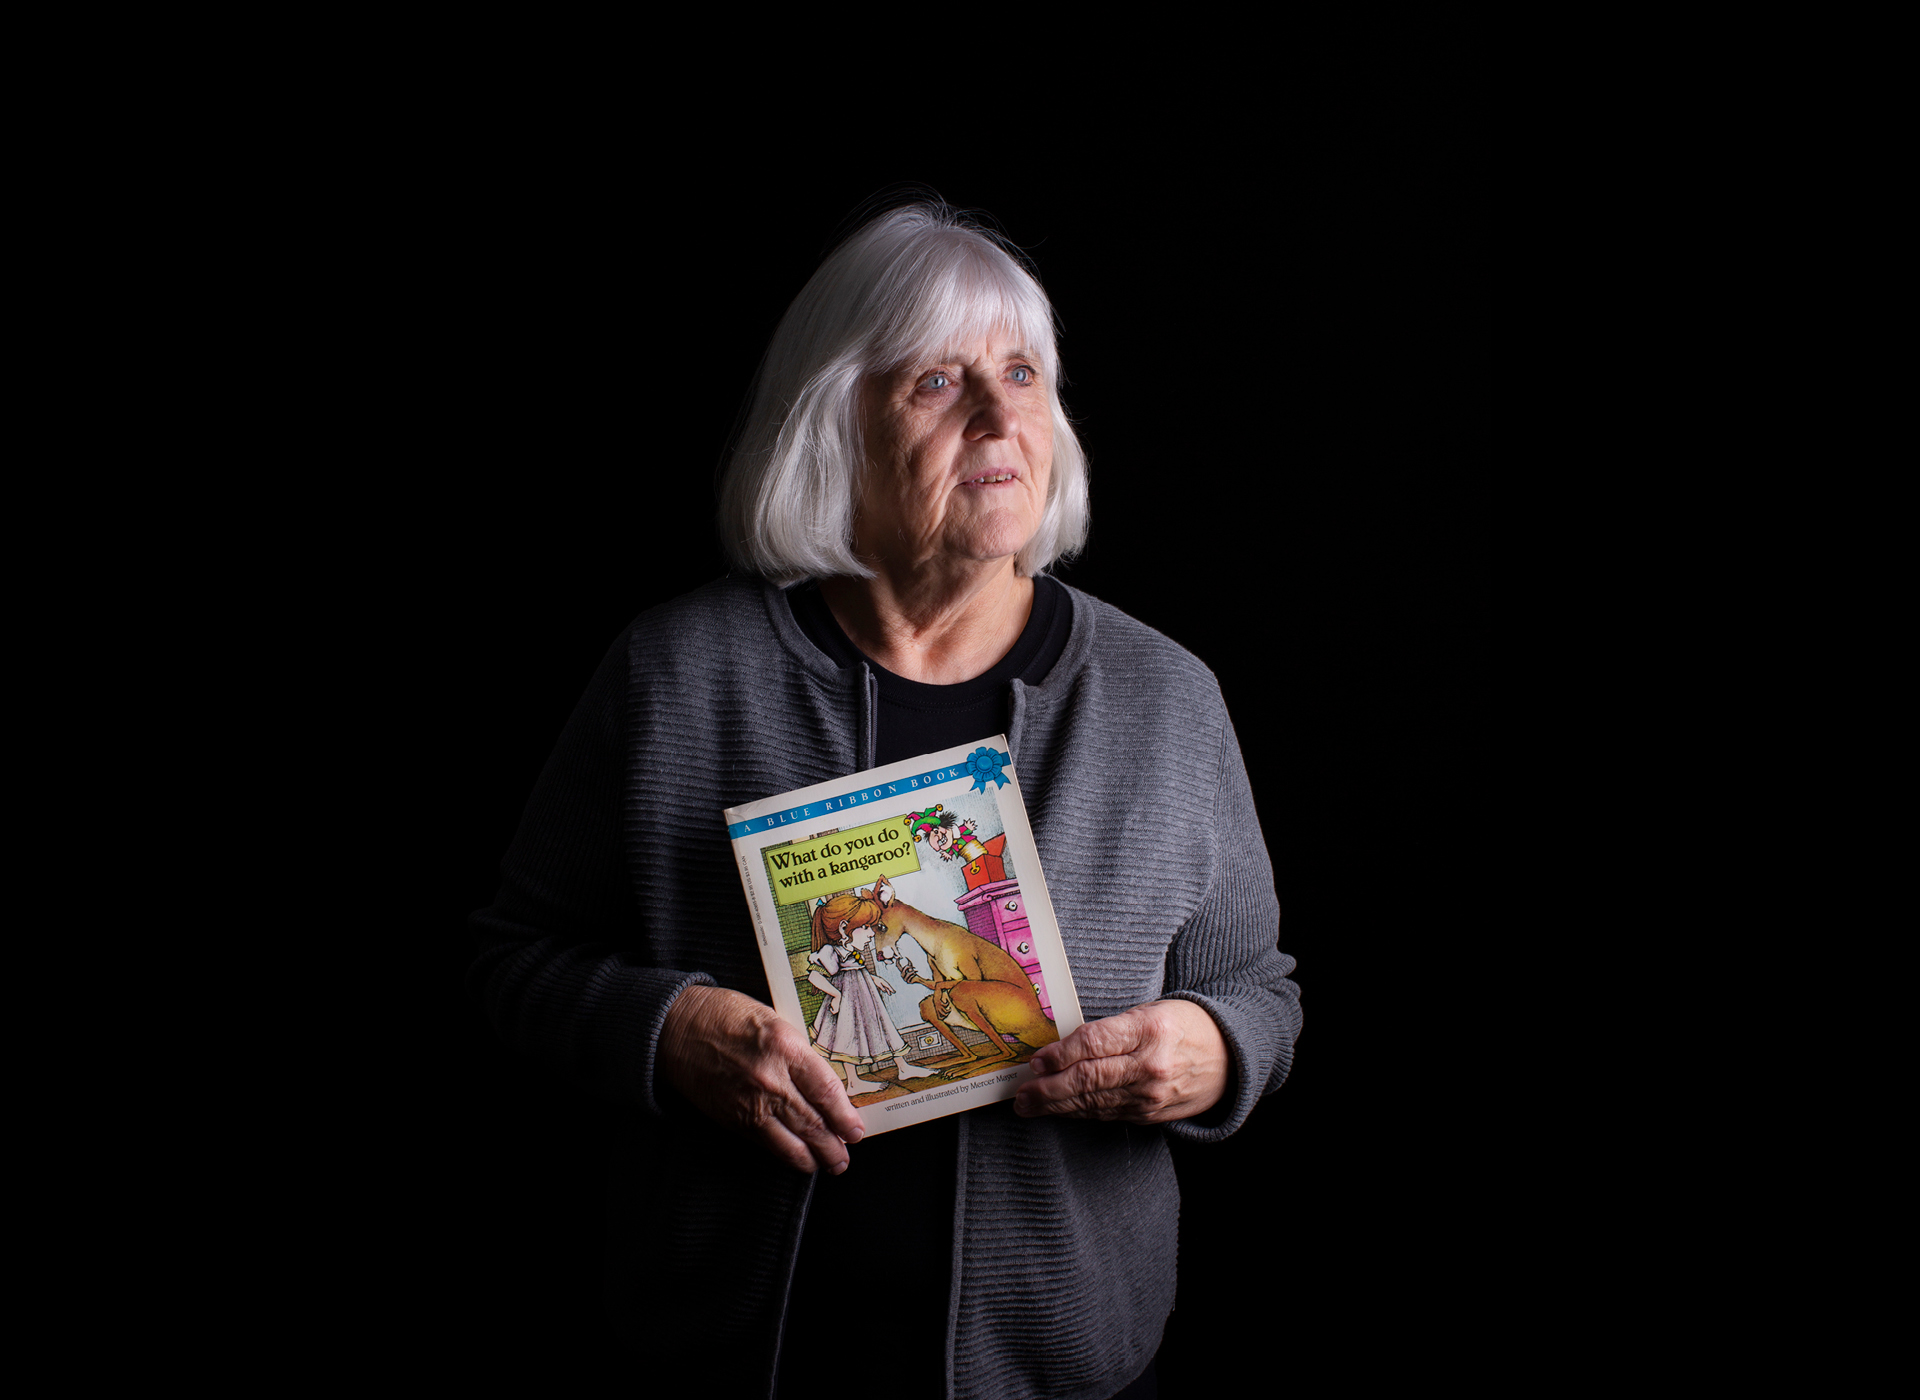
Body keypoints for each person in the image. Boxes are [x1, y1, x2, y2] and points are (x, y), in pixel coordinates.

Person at [469, 199, 1302, 1399]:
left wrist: (1217, 1053)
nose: (998, 414)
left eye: (1021, 372)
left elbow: (1261, 991)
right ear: (833, 424)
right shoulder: (674, 674)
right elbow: (512, 957)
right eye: (935, 381)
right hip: (724, 1355)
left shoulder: (1168, 699)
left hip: (1063, 1371)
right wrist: (669, 1033)